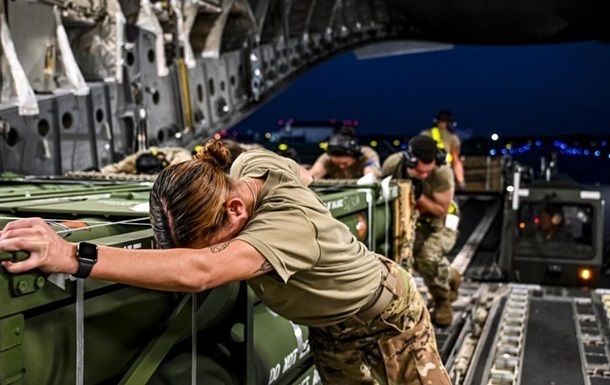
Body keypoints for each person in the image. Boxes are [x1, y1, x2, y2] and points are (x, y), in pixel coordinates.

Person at [0, 140, 451, 385]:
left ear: (235, 211)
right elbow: (250, 154)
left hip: (386, 320)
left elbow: (201, 271)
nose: (203, 251)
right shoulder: (251, 167)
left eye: (206, 241)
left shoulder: (287, 226)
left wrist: (71, 254)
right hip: (330, 329)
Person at [382, 135, 462, 327]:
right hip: (410, 220)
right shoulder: (393, 165)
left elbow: (440, 210)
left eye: (428, 172)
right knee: (405, 258)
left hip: (440, 223)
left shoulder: (442, 173)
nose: (424, 175)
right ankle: (449, 274)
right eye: (419, 171)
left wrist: (416, 196)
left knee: (428, 258)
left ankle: (443, 301)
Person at [309, 129, 381, 180]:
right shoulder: (327, 157)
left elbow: (371, 174)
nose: (341, 167)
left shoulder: (367, 154)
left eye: (345, 163)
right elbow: (313, 175)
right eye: (337, 164)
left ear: (354, 157)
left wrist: (369, 176)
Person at [421, 110, 465, 188]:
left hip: (425, 172)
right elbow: (455, 160)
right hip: (444, 172)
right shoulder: (452, 138)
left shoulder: (425, 134)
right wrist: (461, 181)